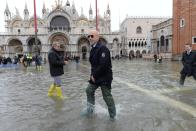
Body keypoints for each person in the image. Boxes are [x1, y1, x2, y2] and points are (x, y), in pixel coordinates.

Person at [83, 30, 116, 120]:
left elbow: (103, 65)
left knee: (107, 96)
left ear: (97, 37)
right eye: (88, 36)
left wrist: (94, 75)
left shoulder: (103, 48)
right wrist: (92, 75)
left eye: (92, 36)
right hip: (96, 76)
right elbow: (94, 65)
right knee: (89, 90)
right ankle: (90, 111)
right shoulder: (93, 48)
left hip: (105, 76)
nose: (90, 38)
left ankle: (113, 116)